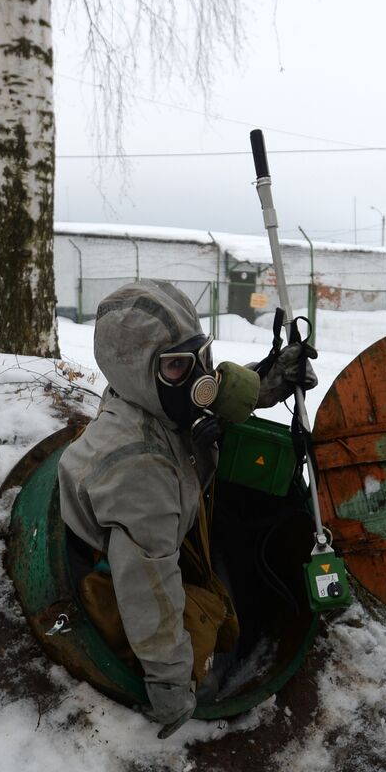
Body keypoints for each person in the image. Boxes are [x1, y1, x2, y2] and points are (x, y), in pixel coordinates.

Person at [57, 280, 316, 738]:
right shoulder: (140, 472)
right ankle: (212, 680)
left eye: (202, 358)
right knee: (212, 649)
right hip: (112, 578)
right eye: (179, 367)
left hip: (158, 537)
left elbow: (198, 391)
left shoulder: (144, 394)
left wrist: (267, 381)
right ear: (137, 370)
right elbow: (148, 587)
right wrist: (172, 683)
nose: (200, 379)